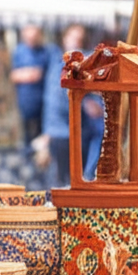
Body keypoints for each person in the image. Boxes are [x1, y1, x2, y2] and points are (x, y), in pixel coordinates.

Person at [42, 24, 103, 187]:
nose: (77, 43)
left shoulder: (82, 63)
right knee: (62, 180)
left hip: (76, 131)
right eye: (73, 38)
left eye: (80, 39)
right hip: (60, 131)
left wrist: (90, 102)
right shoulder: (58, 63)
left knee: (72, 180)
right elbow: (58, 96)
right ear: (65, 39)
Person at [11, 25, 52, 145]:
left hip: (42, 102)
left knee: (40, 134)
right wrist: (29, 75)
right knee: (26, 133)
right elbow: (13, 75)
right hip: (25, 102)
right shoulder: (19, 51)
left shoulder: (45, 52)